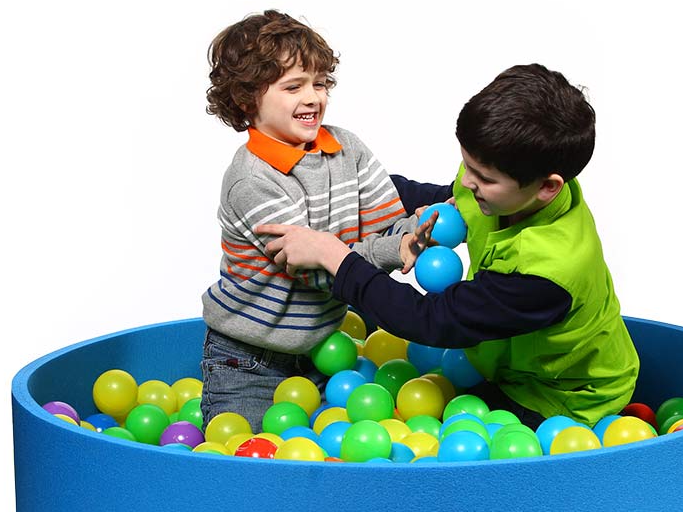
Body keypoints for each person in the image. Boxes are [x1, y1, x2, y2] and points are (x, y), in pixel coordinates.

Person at [258, 63, 640, 429]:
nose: (468, 182)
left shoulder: (546, 273)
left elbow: (434, 321)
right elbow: (443, 198)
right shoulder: (507, 187)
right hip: (502, 358)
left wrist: (333, 257)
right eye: (466, 165)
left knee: (454, 447)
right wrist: (345, 187)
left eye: (483, 177)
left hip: (562, 395)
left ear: (547, 187)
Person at [200, 11, 429, 432]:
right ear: (246, 100)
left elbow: (386, 218)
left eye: (320, 83)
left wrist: (414, 231)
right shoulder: (251, 180)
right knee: (250, 463)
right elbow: (313, 268)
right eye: (294, 86)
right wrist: (392, 251)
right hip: (249, 362)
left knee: (336, 459)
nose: (313, 97)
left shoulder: (347, 148)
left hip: (327, 351)